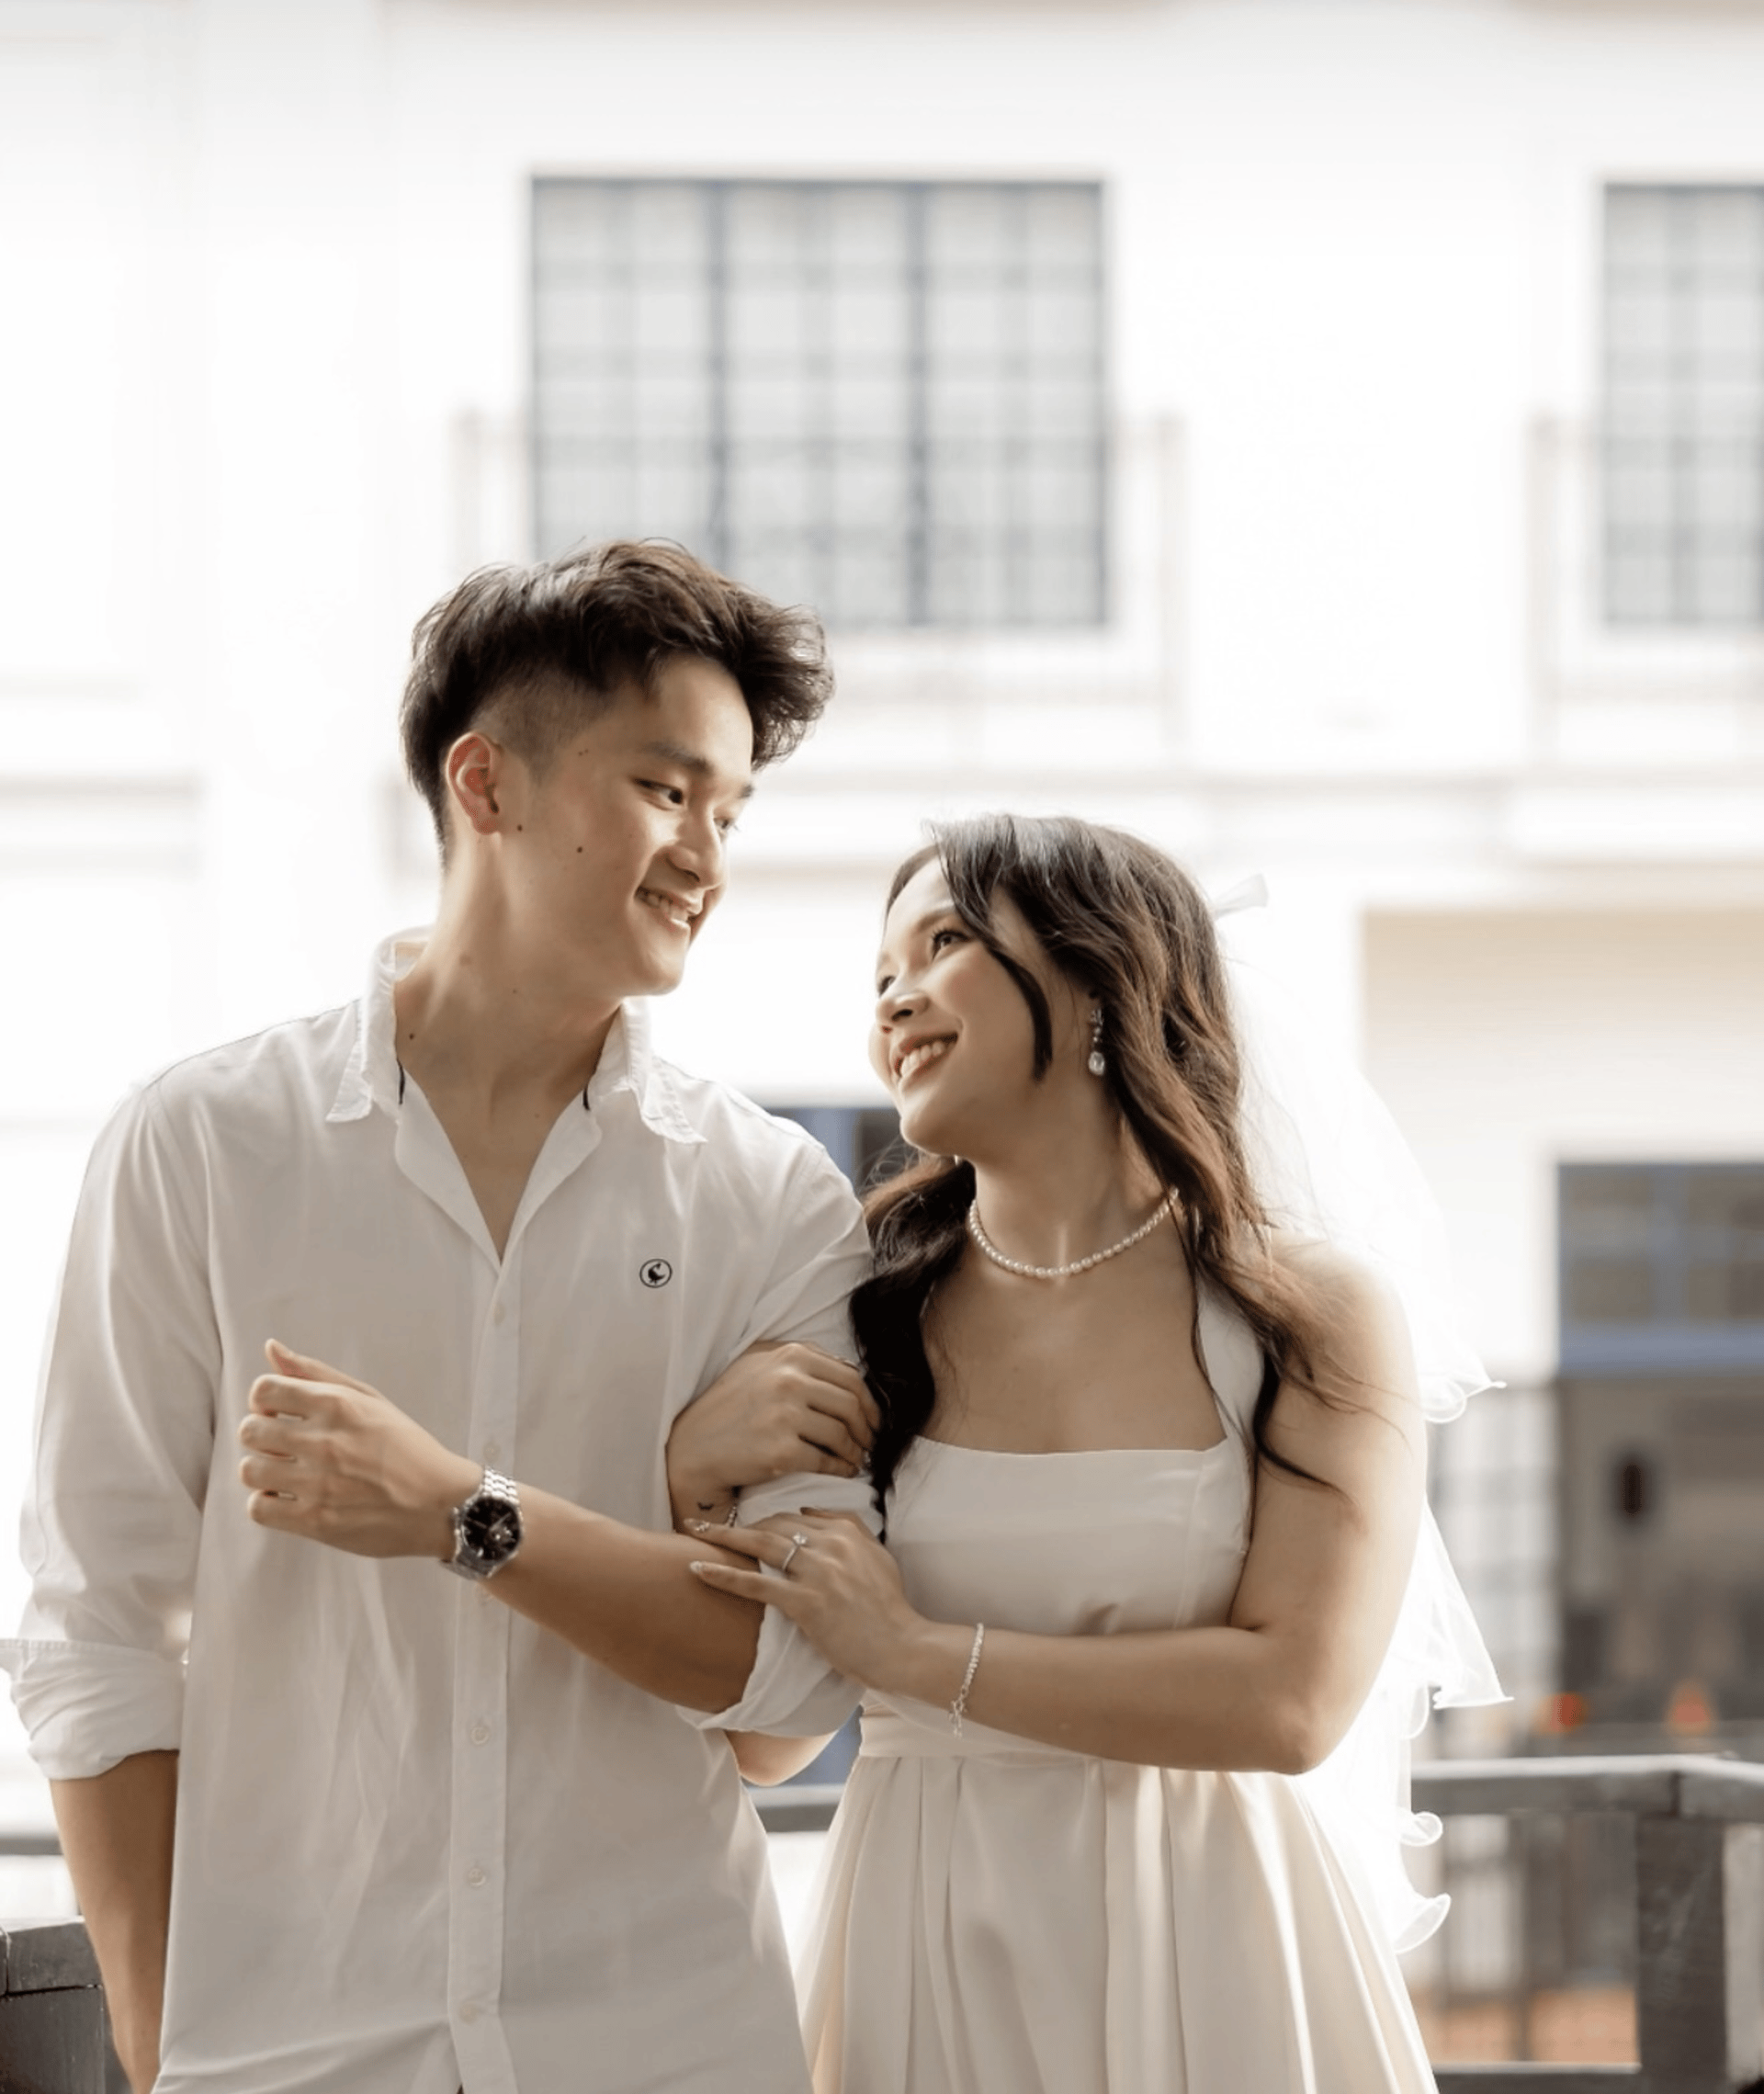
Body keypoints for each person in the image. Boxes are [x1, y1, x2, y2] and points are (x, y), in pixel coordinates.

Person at [0, 539, 879, 2094]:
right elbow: (96, 1629)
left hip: (664, 2040)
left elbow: (797, 1688)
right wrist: (153, 2039)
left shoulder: (771, 1202)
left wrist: (466, 1509)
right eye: (670, 791)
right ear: (488, 785)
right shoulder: (200, 1147)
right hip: (291, 2049)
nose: (710, 857)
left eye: (731, 810)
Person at [675, 813, 1504, 2093]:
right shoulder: (855, 1314)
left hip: (1215, 1927)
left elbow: (1291, 1703)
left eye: (943, 941)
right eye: (878, 973)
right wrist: (687, 1476)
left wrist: (910, 1654)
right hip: (926, 1927)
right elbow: (767, 1741)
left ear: (1099, 978)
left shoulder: (1310, 1315)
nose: (894, 996)